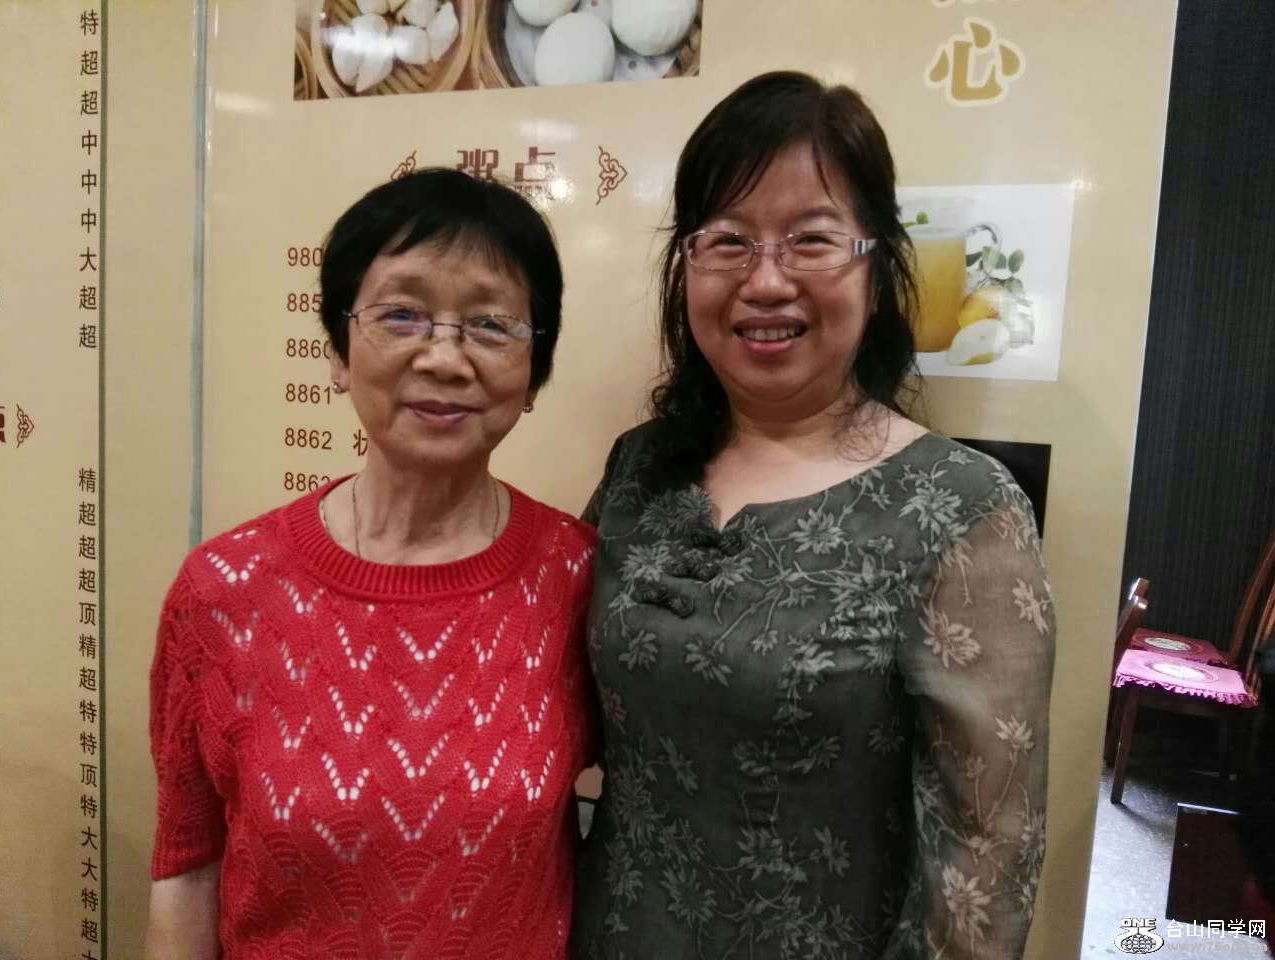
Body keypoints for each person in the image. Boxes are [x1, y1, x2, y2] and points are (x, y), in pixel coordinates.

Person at [572, 71, 1056, 960]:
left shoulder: (963, 510)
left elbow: (985, 861)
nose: (766, 281)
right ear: (686, 265)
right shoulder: (639, 468)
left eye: (812, 240)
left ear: (877, 266)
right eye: (727, 240)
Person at [146, 168, 596, 960]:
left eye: (490, 324)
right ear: (338, 351)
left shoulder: (579, 579)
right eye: (402, 315)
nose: (445, 358)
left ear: (535, 367)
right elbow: (188, 868)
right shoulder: (224, 590)